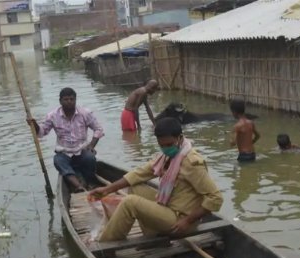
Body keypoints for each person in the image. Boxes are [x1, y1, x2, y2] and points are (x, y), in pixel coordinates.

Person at [89, 117, 223, 241]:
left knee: (130, 202)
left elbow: (215, 197)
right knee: (136, 187)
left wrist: (188, 221)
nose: (166, 149)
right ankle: (152, 234)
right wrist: (107, 189)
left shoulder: (192, 163)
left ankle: (107, 244)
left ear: (180, 138)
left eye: (169, 144)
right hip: (168, 208)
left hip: (180, 221)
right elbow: (139, 173)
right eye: (162, 145)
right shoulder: (166, 157)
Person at [27, 87, 104, 193]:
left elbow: (98, 129)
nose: (69, 102)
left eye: (72, 99)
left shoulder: (85, 113)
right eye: (66, 99)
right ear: (60, 101)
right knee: (57, 160)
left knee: (90, 158)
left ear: (75, 100)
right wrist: (34, 124)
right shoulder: (53, 116)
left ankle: (89, 180)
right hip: (64, 154)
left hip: (82, 152)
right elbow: (41, 132)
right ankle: (78, 186)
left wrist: (91, 146)